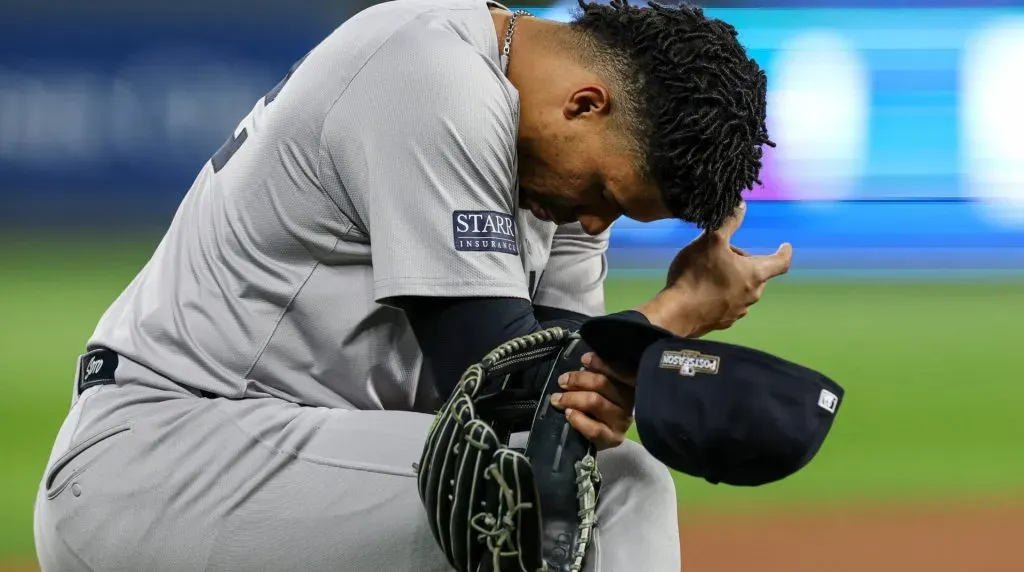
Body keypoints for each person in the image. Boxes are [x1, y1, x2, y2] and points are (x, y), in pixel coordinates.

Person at [33, 0, 792, 570]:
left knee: (556, 473)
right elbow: (492, 376)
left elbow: (548, 408)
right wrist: (676, 314)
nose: (596, 225)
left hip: (293, 470)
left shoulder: (553, 169)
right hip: (168, 456)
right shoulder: (431, 73)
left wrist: (647, 369)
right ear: (586, 103)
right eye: (603, 193)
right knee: (623, 488)